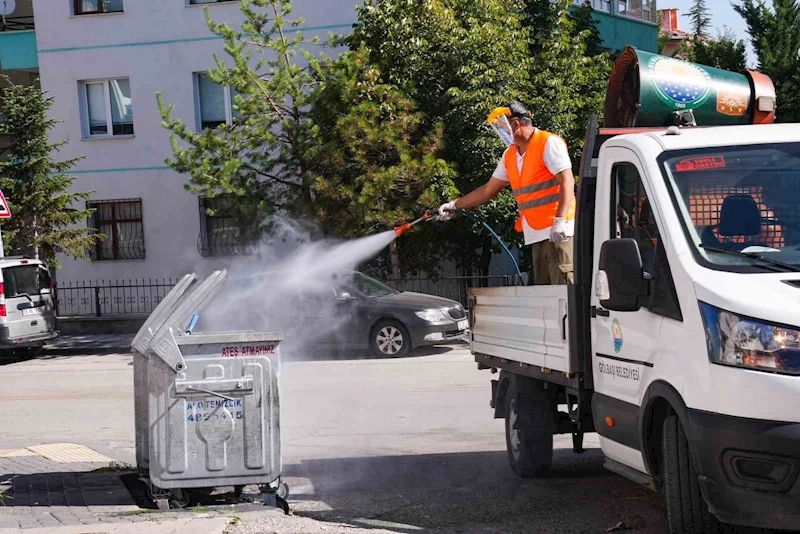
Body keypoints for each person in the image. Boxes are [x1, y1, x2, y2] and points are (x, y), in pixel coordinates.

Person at [438, 102, 576, 285]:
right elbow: (488, 190)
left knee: (565, 293)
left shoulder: (548, 143)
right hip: (537, 233)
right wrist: (455, 205)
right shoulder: (510, 155)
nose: (500, 131)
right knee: (548, 298)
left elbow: (567, 180)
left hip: (558, 232)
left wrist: (560, 221)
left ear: (517, 124)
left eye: (503, 126)